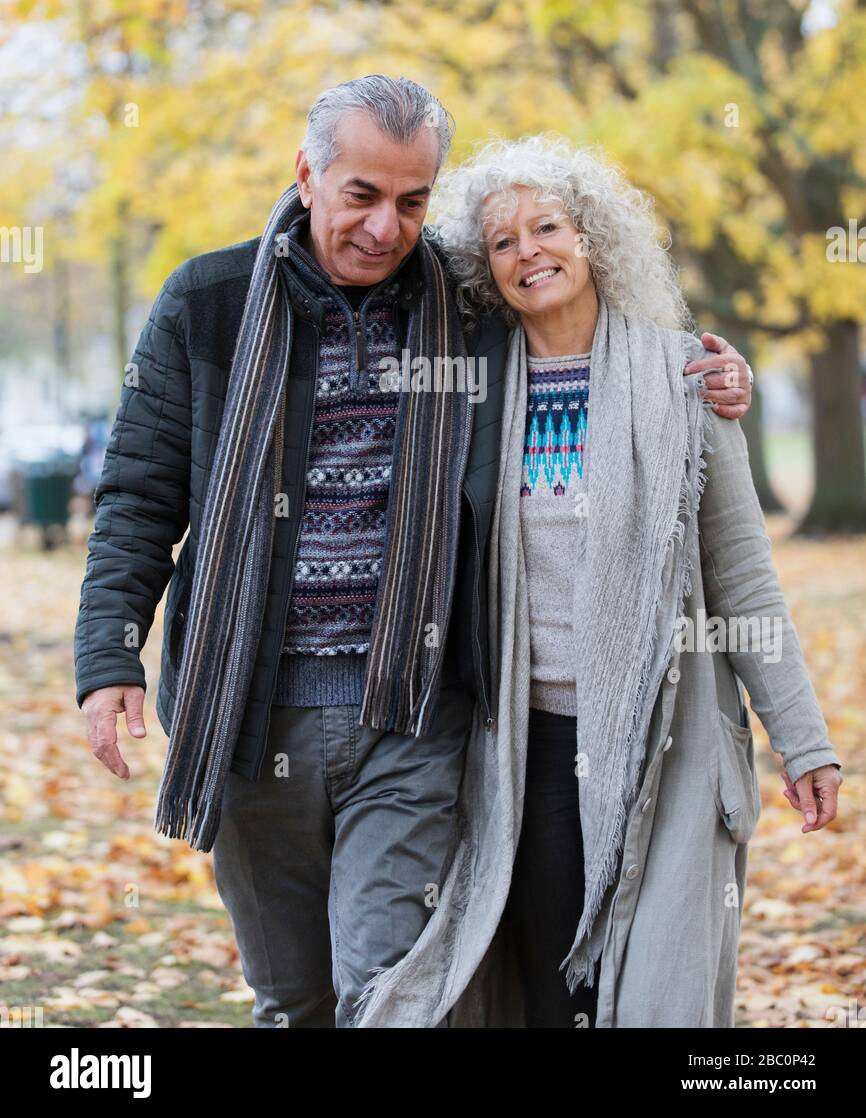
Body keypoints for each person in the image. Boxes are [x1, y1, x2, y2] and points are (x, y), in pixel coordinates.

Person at [73, 82, 752, 1029]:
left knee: (392, 994)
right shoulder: (209, 303)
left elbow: (587, 336)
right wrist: (109, 658)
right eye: (362, 195)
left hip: (412, 716)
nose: (386, 228)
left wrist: (708, 372)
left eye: (413, 201)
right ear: (307, 175)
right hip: (246, 713)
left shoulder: (469, 308)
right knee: (293, 999)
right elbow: (139, 496)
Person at [350, 134, 841, 1029]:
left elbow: (742, 579)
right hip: (522, 750)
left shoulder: (686, 377)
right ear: (484, 268)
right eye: (504, 242)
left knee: (657, 992)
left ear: (592, 240)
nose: (529, 251)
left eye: (548, 227)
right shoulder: (477, 390)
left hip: (671, 739)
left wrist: (802, 743)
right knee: (546, 990)